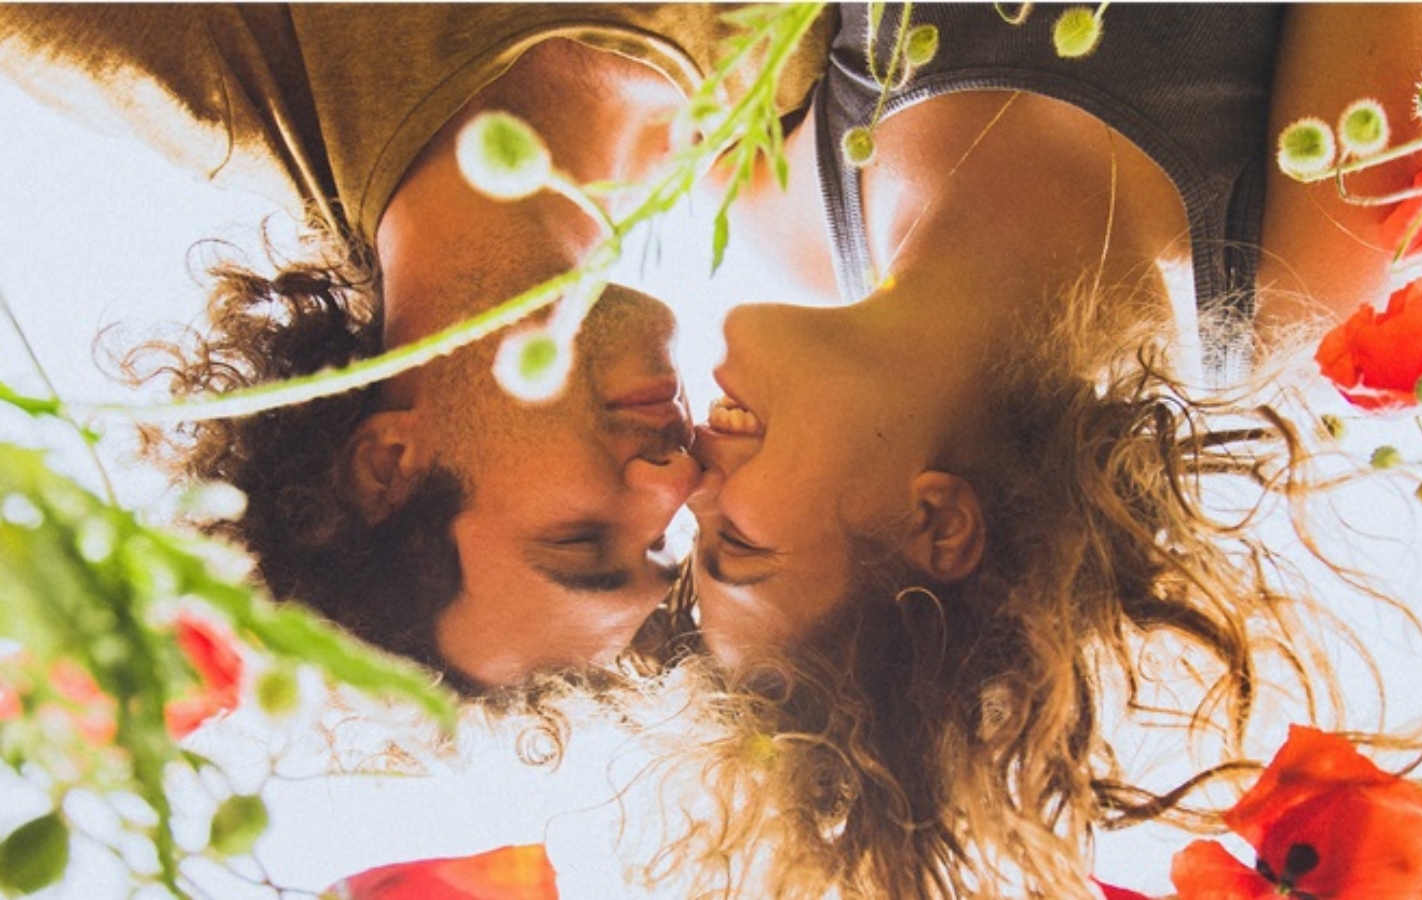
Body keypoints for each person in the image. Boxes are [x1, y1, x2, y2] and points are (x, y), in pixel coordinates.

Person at [676, 4, 1422, 897]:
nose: (691, 483)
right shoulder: (1291, 275)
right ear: (936, 522)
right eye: (735, 542)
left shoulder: (757, 195)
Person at [0, 5, 832, 691]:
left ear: (388, 464)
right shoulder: (802, 150)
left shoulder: (207, 63)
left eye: (580, 542)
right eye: (661, 545)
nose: (678, 480)